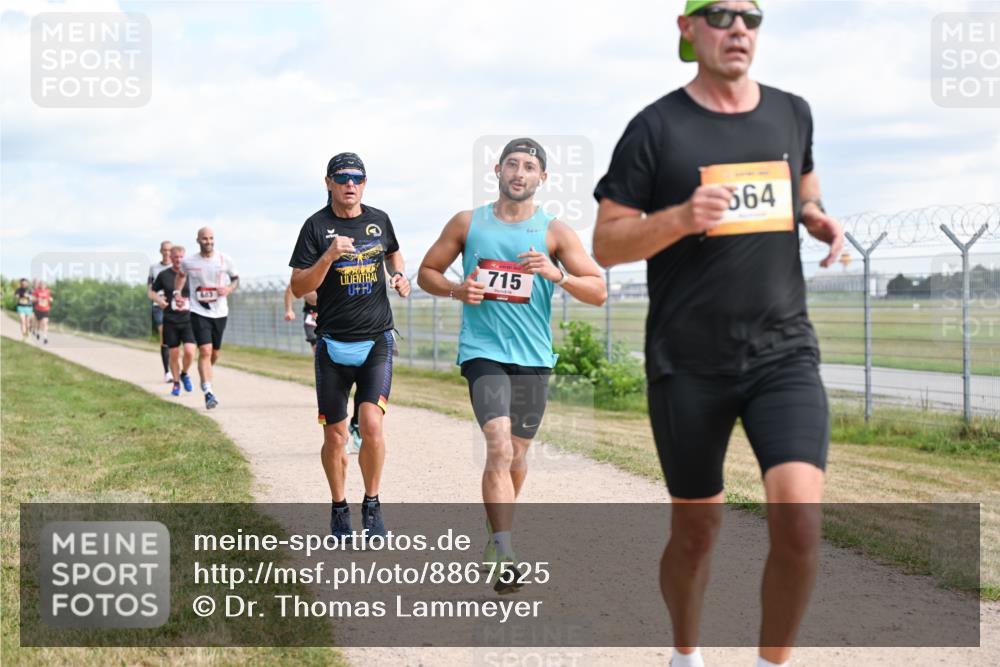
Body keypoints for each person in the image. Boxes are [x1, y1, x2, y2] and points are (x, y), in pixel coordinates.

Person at [591, 3, 845, 666]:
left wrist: (816, 216)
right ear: (687, 28)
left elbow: (806, 185)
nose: (739, 29)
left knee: (799, 520)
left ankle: (770, 661)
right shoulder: (654, 128)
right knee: (697, 529)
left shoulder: (792, 111)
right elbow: (607, 243)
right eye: (721, 14)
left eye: (752, 18)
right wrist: (677, 217)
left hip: (782, 352)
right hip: (688, 363)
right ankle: (684, 652)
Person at [418, 138, 606, 593]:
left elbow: (598, 290)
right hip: (483, 352)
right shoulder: (469, 223)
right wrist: (455, 291)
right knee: (499, 445)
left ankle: (495, 530)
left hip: (534, 358)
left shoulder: (554, 232)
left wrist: (555, 273)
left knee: (517, 455)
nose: (520, 173)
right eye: (513, 165)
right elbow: (428, 271)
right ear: (497, 170)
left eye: (530, 167)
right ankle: (504, 549)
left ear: (543, 178)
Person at [289, 152, 410, 541]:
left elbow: (393, 251)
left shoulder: (379, 220)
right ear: (328, 183)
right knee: (335, 436)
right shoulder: (315, 226)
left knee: (372, 422)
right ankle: (339, 508)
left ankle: (372, 505)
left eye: (357, 178)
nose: (350, 184)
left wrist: (399, 275)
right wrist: (329, 255)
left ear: (365, 183)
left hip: (376, 339)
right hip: (332, 344)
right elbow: (299, 287)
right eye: (342, 178)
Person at [284, 284, 363, 454]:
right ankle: (327, 379)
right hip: (313, 317)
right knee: (321, 351)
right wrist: (289, 310)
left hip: (338, 316)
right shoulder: (313, 265)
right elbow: (293, 288)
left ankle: (352, 427)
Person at [174, 228, 239, 410]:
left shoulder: (224, 259)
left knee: (214, 354)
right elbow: (180, 276)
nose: (208, 241)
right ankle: (208, 391)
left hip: (220, 312)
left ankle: (205, 373)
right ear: (198, 240)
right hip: (198, 311)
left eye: (211, 238)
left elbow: (235, 279)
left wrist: (228, 289)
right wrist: (177, 293)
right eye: (205, 238)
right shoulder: (189, 261)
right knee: (205, 350)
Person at [150, 246, 196, 397]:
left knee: (189, 351)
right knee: (174, 353)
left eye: (181, 257)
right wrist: (159, 300)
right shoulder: (164, 275)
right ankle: (176, 383)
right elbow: (151, 291)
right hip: (170, 319)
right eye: (175, 257)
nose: (178, 260)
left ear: (185, 257)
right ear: (171, 257)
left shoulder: (191, 274)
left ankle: (184, 373)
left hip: (188, 319)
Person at [149, 240, 173, 382]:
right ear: (160, 251)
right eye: (164, 250)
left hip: (174, 306)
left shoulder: (177, 267)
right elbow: (150, 290)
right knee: (164, 333)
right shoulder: (154, 268)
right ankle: (167, 372)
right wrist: (159, 300)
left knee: (175, 338)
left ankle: (176, 368)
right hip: (159, 306)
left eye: (170, 250)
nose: (167, 253)